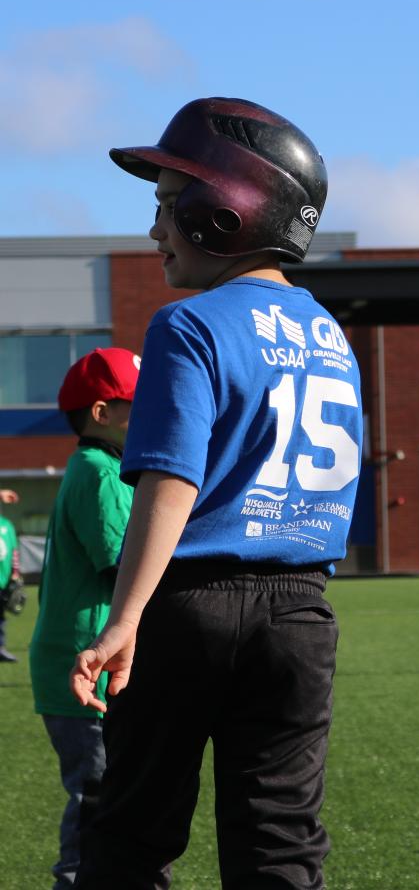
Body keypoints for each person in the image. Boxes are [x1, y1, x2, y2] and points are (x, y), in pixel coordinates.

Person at [70, 97, 363, 890]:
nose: (156, 230)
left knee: (132, 831)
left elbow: (172, 477)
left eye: (169, 207)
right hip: (303, 614)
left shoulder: (188, 325)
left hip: (192, 606)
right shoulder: (334, 339)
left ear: (223, 213)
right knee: (280, 840)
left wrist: (124, 619)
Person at [29, 347, 141, 889]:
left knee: (102, 788)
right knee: (96, 792)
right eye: (135, 406)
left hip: (80, 658)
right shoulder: (101, 473)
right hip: (84, 663)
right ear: (101, 413)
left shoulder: (99, 466)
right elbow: (126, 566)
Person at [0, 501, 21, 662]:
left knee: (1, 616)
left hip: (3, 579)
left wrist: (15, 574)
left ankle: (0, 648)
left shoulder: (6, 525)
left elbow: (14, 551)